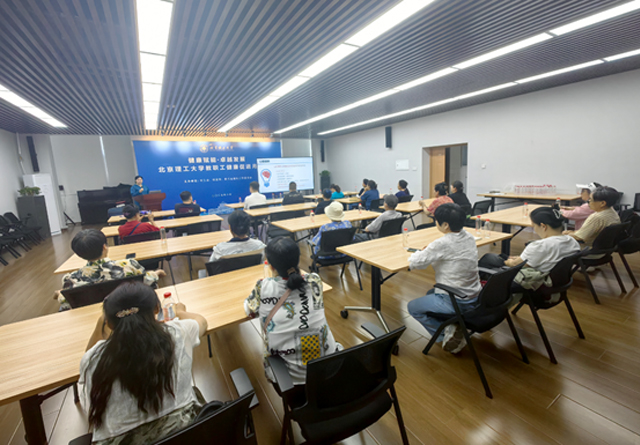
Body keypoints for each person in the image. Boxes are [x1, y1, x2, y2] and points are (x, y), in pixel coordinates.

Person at [80, 282, 207, 444]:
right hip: (186, 435)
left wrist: (101, 321)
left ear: (109, 323)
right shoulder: (177, 333)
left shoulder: (93, 358)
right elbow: (202, 322)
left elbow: (88, 357)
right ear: (157, 308)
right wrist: (181, 311)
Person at [244, 237, 341, 390]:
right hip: (329, 371)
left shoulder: (263, 287)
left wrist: (270, 280)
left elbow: (248, 309)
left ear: (270, 265)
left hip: (290, 383)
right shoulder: (314, 280)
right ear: (298, 259)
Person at [407, 203, 481, 354]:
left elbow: (415, 263)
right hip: (475, 295)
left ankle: (445, 336)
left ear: (445, 225)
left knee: (412, 307)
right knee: (430, 293)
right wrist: (431, 251)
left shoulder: (442, 243)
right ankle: (452, 324)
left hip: (457, 300)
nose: (436, 223)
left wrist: (423, 252)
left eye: (436, 220)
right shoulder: (469, 236)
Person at [479, 207, 581, 296]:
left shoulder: (540, 246)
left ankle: (482, 295)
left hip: (534, 283)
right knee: (499, 257)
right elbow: (546, 258)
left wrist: (508, 261)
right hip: (556, 283)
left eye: (534, 226)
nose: (535, 229)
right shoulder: (572, 242)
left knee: (488, 259)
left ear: (543, 226)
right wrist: (519, 259)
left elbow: (514, 264)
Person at [55, 229, 164, 311]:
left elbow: (67, 302)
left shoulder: (71, 279)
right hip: (131, 312)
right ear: (104, 247)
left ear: (79, 254)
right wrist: (156, 273)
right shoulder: (128, 265)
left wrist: (59, 294)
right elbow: (146, 281)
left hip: (94, 319)